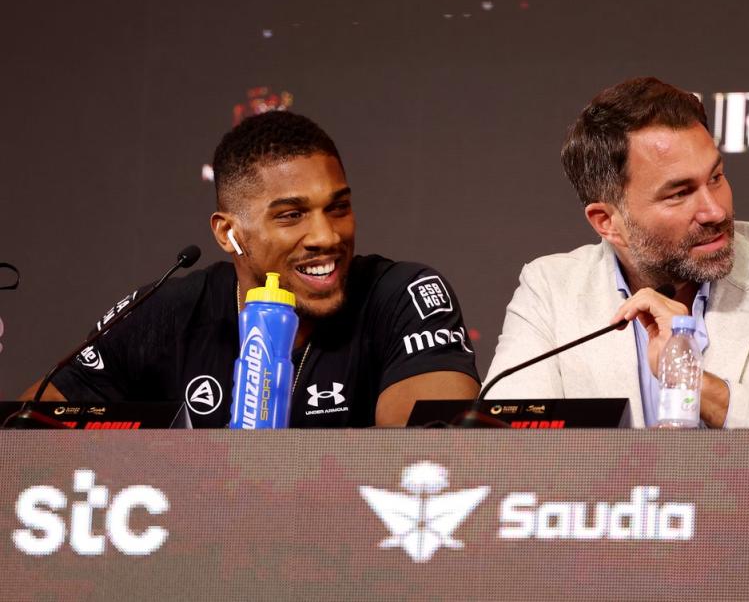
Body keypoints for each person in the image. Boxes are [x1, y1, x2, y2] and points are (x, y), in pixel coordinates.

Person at [485, 77, 749, 428]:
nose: (715, 210)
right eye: (679, 194)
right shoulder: (550, 291)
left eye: (716, 177)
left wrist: (696, 385)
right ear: (607, 222)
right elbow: (504, 449)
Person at [28, 111, 479, 426]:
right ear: (228, 234)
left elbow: (433, 454)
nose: (327, 236)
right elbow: (27, 436)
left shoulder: (402, 295)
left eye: (338, 207)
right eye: (291, 215)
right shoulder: (166, 309)